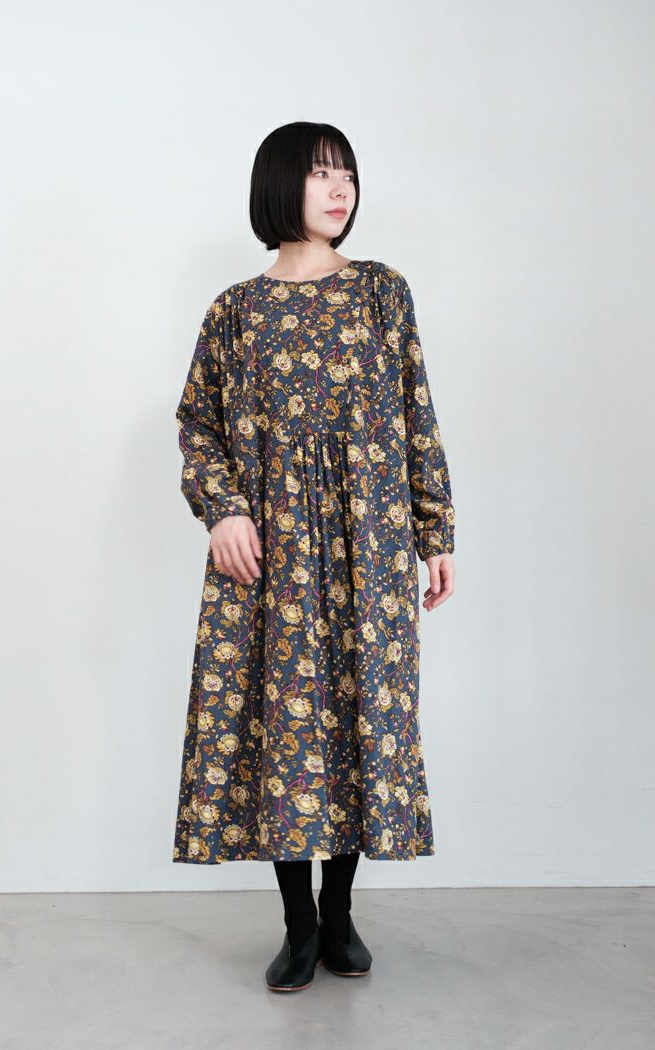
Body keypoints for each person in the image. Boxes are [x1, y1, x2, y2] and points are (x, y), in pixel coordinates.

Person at [172, 121, 456, 992]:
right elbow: (197, 424)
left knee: (363, 718)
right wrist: (222, 511)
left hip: (369, 546)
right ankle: (298, 926)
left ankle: (340, 914)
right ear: (279, 185)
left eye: (348, 176)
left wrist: (435, 531)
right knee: (284, 730)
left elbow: (414, 411)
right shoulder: (235, 310)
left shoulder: (382, 292)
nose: (340, 190)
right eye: (321, 174)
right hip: (273, 556)